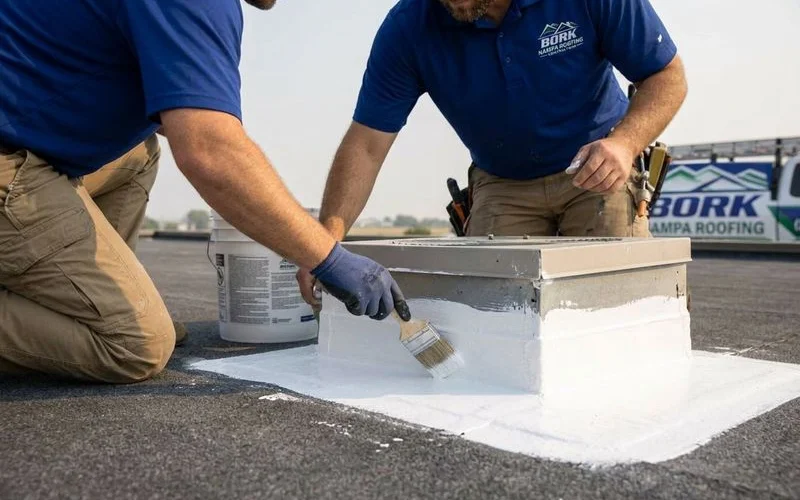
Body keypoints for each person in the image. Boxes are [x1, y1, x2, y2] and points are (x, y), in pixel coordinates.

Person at [0, 0, 409, 384]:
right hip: (11, 162)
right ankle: (104, 318)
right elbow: (208, 151)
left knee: (138, 154)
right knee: (135, 344)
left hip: (28, 145)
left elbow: (188, 123)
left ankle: (85, 301)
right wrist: (327, 258)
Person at [296, 0, 688, 307]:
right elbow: (366, 145)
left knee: (618, 302)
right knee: (492, 313)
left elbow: (666, 77)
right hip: (502, 182)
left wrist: (625, 143)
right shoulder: (407, 27)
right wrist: (326, 244)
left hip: (597, 170)